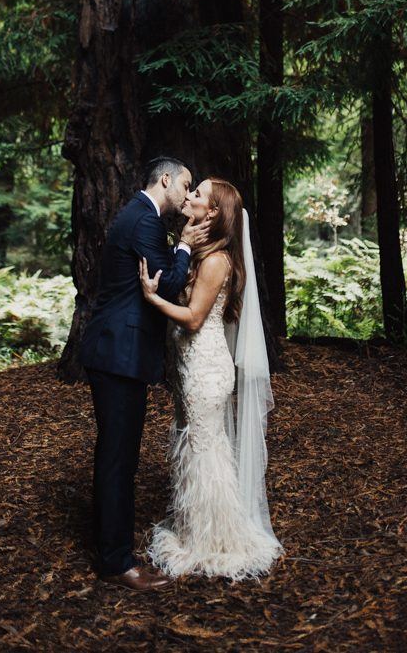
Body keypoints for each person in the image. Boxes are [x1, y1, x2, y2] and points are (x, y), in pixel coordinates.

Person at [139, 177, 283, 581]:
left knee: (205, 450)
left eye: (197, 194)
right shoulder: (203, 251)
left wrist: (153, 299)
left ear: (215, 212)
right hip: (190, 366)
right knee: (195, 445)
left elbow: (195, 317)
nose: (189, 197)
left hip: (206, 367)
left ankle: (216, 540)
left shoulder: (218, 260)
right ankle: (195, 529)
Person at [79, 156, 209, 591]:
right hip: (119, 354)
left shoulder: (139, 215)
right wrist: (186, 244)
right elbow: (166, 284)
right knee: (118, 459)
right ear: (166, 180)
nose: (188, 195)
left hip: (117, 352)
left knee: (118, 456)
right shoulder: (145, 222)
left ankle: (112, 550)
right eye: (186, 185)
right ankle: (116, 562)